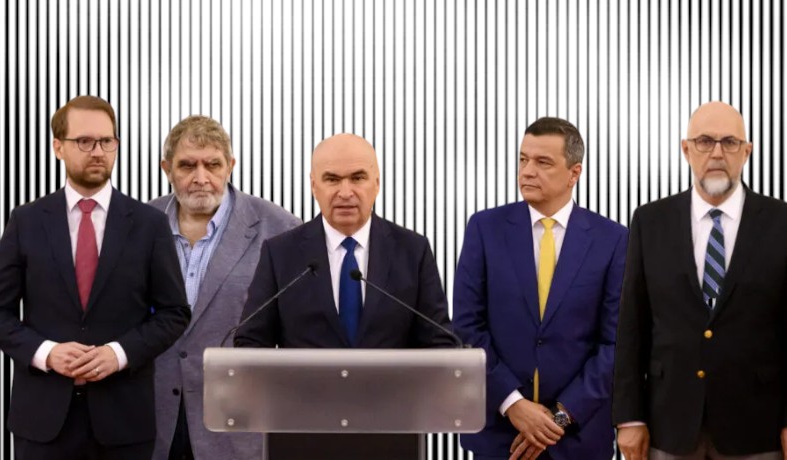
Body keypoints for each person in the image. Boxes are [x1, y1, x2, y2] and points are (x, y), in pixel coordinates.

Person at [0, 95, 190, 459]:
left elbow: (174, 313)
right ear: (58, 147)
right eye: (85, 142)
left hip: (124, 422)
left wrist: (118, 354)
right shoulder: (26, 221)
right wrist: (47, 353)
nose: (98, 152)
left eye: (107, 141)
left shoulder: (149, 224)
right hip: (43, 422)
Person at [613, 101, 787, 460]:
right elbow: (632, 325)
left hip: (758, 428)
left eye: (730, 142)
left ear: (747, 152)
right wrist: (629, 416)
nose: (717, 153)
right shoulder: (650, 221)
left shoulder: (781, 222)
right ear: (686, 149)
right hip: (668, 425)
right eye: (705, 141)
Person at [454, 117, 628, 460]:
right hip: (499, 438)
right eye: (523, 159)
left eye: (542, 162)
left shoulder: (612, 239)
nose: (527, 171)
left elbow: (615, 344)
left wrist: (557, 419)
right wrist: (513, 404)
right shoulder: (485, 229)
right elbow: (466, 328)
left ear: (574, 173)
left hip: (578, 439)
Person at [149, 115, 300, 460]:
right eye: (187, 165)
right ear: (166, 168)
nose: (201, 178)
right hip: (153, 422)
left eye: (213, 165)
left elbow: (298, 331)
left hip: (239, 423)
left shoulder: (280, 228)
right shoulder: (141, 224)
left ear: (230, 166)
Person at [234, 132, 456, 349]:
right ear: (314, 186)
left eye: (357, 178)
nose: (345, 192)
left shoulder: (413, 251)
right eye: (332, 179)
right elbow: (251, 343)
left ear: (377, 183)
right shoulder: (280, 253)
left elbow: (440, 343)